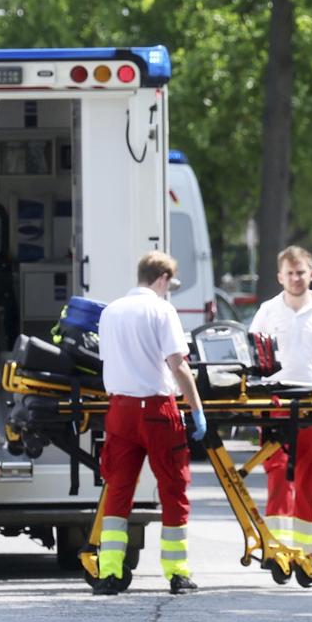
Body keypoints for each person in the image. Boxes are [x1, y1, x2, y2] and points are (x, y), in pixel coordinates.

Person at [94, 250, 206, 596]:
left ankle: (110, 573)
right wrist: (197, 409)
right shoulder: (162, 310)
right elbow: (178, 365)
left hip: (120, 411)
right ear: (162, 278)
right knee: (173, 489)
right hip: (157, 411)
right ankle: (177, 573)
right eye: (169, 283)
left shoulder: (110, 311)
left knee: (118, 491)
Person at [249, 246, 312, 561]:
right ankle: (276, 550)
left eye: (301, 272)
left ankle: (306, 552)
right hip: (275, 402)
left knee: (309, 478)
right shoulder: (267, 311)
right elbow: (252, 357)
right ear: (280, 276)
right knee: (277, 474)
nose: (295, 278)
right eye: (290, 273)